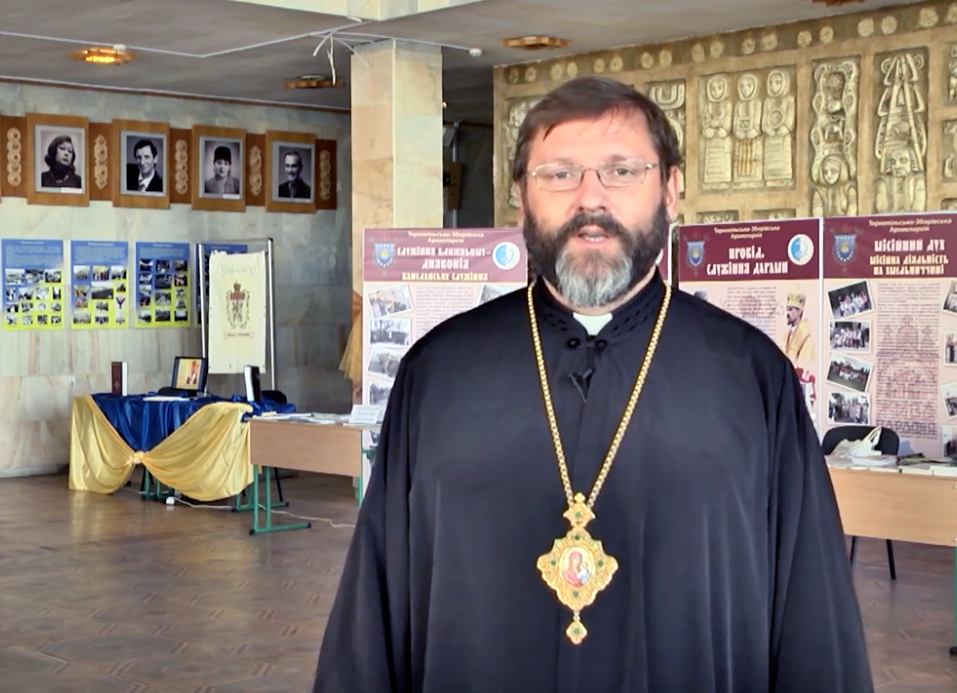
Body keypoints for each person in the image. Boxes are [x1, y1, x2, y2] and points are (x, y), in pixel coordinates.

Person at [313, 76, 873, 692]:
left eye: (622, 171)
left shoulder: (750, 374)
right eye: (558, 174)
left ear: (672, 190)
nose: (590, 200)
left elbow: (811, 611)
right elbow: (375, 607)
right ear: (520, 200)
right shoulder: (439, 372)